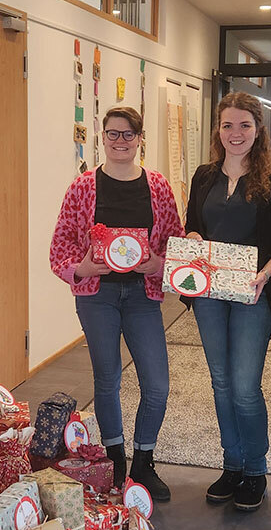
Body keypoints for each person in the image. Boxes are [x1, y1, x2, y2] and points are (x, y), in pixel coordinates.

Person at [50, 106, 183, 498]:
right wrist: (84, 268)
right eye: (112, 134)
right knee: (107, 380)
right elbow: (59, 247)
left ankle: (143, 461)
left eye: (128, 134)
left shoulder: (158, 186)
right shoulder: (82, 187)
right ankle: (114, 462)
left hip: (142, 295)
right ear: (102, 138)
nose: (120, 141)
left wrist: (158, 264)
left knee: (157, 384)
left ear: (140, 138)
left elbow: (173, 239)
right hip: (98, 297)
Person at [183, 91, 271, 511]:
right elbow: (193, 225)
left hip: (254, 293)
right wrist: (192, 238)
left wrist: (265, 273)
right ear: (218, 130)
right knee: (221, 382)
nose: (236, 133)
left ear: (258, 129)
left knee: (246, 386)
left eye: (244, 125)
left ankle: (255, 469)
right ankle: (231, 465)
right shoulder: (204, 176)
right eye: (228, 125)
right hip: (210, 293)